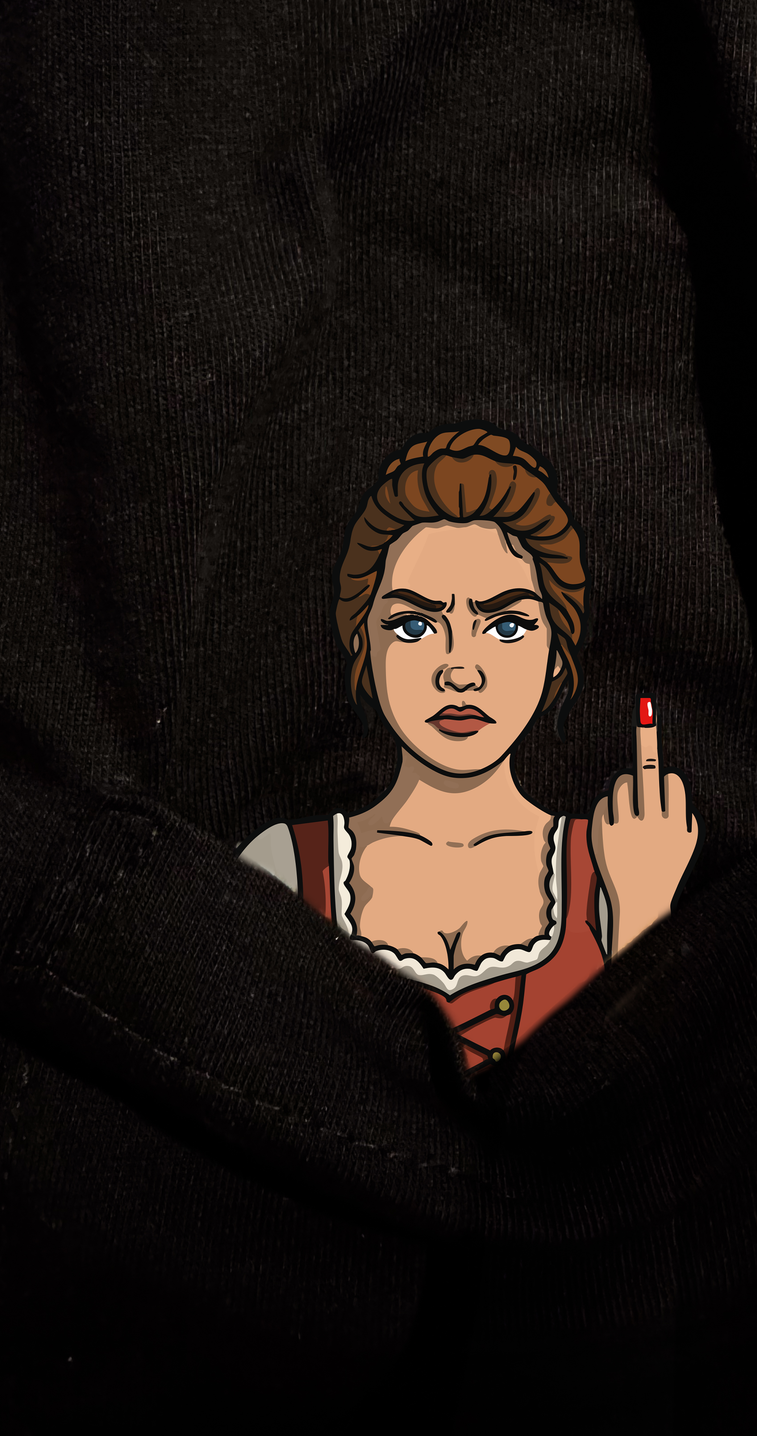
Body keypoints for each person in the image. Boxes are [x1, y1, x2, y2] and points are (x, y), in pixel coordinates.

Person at [239, 427, 702, 1068]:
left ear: (555, 652)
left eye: (506, 626)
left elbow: (658, 1104)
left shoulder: (618, 869)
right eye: (415, 625)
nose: (460, 671)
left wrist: (645, 913)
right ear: (364, 644)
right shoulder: (284, 869)